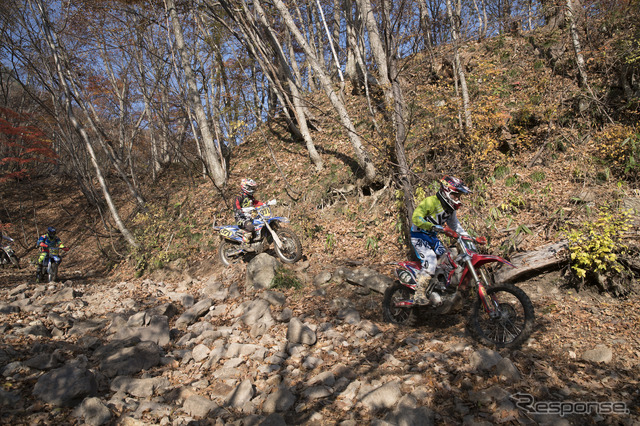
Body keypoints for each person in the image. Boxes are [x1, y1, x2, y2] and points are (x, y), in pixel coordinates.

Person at [411, 176, 471, 305]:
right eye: (456, 195)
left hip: (432, 238)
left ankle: (438, 288)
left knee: (449, 258)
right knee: (431, 259)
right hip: (419, 236)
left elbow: (455, 225)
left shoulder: (450, 208)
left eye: (459, 196)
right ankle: (419, 294)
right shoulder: (430, 202)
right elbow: (416, 218)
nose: (457, 198)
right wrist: (432, 226)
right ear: (447, 191)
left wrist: (468, 237)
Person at [234, 178, 264, 244]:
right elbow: (236, 205)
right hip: (241, 217)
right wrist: (240, 210)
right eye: (251, 188)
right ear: (246, 187)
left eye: (253, 188)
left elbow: (256, 203)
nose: (253, 190)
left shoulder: (250, 197)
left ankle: (255, 240)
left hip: (250, 216)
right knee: (250, 227)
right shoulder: (240, 196)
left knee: (260, 223)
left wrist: (265, 204)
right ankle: (245, 244)